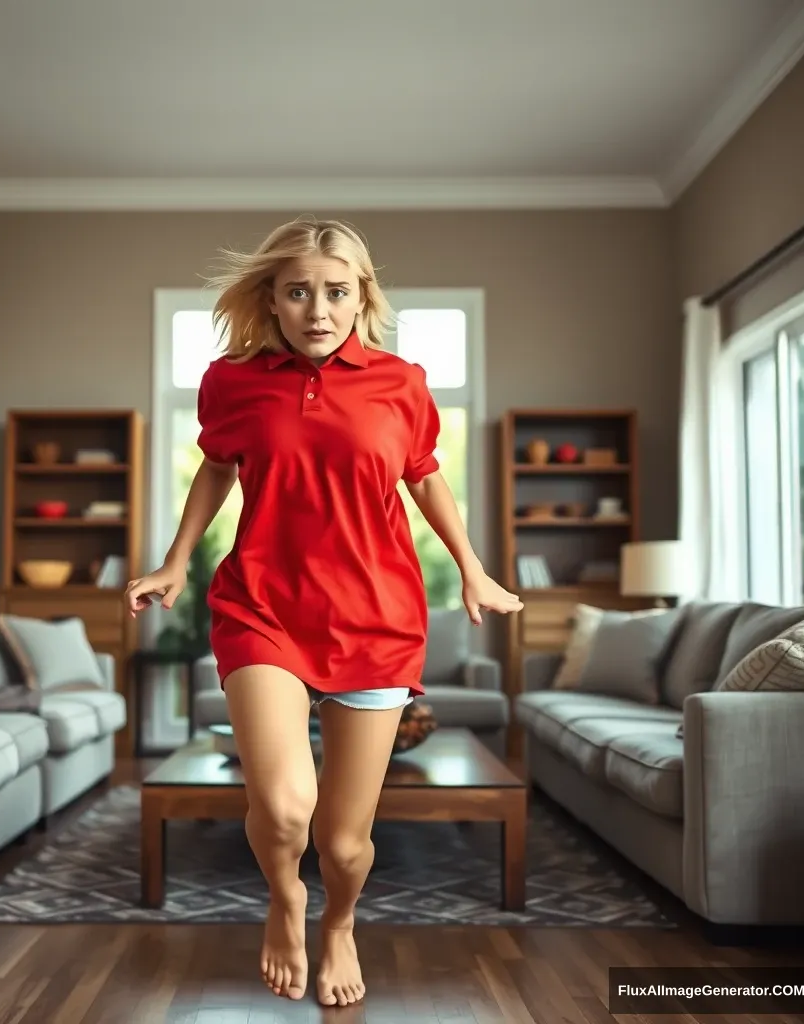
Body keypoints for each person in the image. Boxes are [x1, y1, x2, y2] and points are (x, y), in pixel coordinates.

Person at [125, 216, 523, 1007]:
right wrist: (175, 561)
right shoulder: (232, 382)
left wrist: (472, 570)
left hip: (377, 618)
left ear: (361, 296)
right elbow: (215, 468)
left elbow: (425, 477)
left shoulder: (401, 382)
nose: (317, 309)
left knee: (343, 843)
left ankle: (338, 920)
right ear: (270, 299)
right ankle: (284, 899)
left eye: (336, 292)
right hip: (262, 607)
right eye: (298, 291)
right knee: (281, 806)